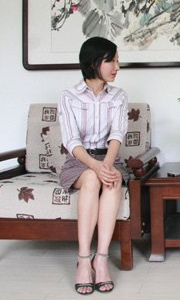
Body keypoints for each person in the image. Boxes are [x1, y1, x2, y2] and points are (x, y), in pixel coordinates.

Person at [58, 37, 128, 295]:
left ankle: (101, 259)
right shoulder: (69, 97)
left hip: (109, 158)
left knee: (112, 180)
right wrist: (95, 167)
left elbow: (117, 135)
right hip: (79, 160)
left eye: (117, 61)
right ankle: (84, 260)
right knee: (91, 178)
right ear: (92, 63)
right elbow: (71, 141)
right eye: (111, 61)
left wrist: (106, 165)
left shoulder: (119, 96)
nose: (117, 67)